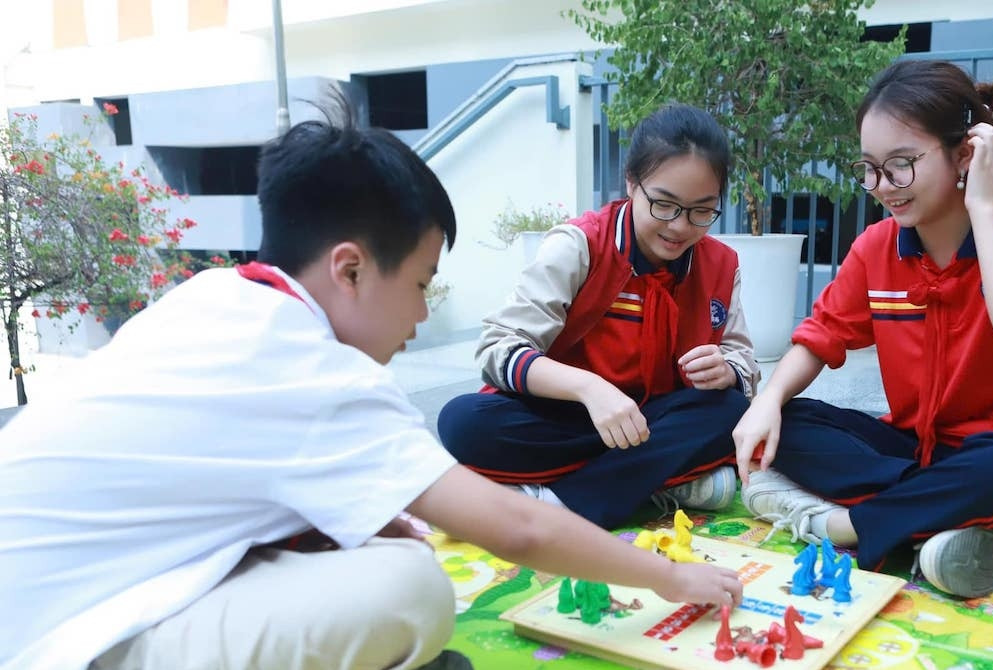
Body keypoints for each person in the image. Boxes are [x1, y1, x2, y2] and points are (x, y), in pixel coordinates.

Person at [0, 99, 744, 670]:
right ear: (351, 268)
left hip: (41, 593)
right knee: (410, 585)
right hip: (54, 639)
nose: (423, 314)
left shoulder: (214, 299)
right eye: (422, 283)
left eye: (702, 210)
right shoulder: (316, 369)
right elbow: (516, 528)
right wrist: (671, 581)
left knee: (366, 538)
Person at [732, 60, 993, 599]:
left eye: (902, 164)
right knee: (784, 419)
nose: (883, 186)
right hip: (922, 455)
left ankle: (848, 526)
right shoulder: (878, 247)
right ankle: (962, 529)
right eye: (870, 167)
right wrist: (766, 401)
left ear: (965, 154)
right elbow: (819, 335)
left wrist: (982, 205)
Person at [437, 103, 759, 530]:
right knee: (462, 423)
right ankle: (661, 482)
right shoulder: (580, 245)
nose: (680, 227)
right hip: (568, 415)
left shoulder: (721, 264)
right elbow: (500, 348)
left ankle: (561, 501)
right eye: (664, 205)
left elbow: (744, 364)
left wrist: (727, 370)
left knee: (730, 409)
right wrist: (589, 389)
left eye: (702, 211)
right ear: (631, 183)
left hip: (650, 422)